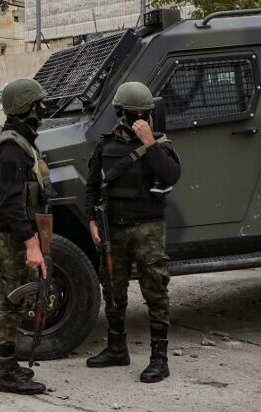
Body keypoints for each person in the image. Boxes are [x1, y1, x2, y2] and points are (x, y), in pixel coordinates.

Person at [84, 82, 182, 383]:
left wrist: (149, 143)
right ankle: (116, 348)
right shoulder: (106, 145)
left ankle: (159, 358)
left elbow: (171, 175)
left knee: (155, 290)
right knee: (113, 290)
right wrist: (91, 220)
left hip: (148, 228)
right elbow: (92, 186)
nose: (139, 117)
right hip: (113, 227)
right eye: (133, 113)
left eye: (144, 112)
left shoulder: (160, 145)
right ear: (121, 113)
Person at [0, 78, 52, 396]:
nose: (44, 108)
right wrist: (30, 243)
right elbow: (10, 202)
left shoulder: (20, 140)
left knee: (12, 297)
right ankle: (7, 373)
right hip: (10, 234)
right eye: (39, 103)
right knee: (12, 301)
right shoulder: (11, 148)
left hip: (12, 232)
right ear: (26, 107)